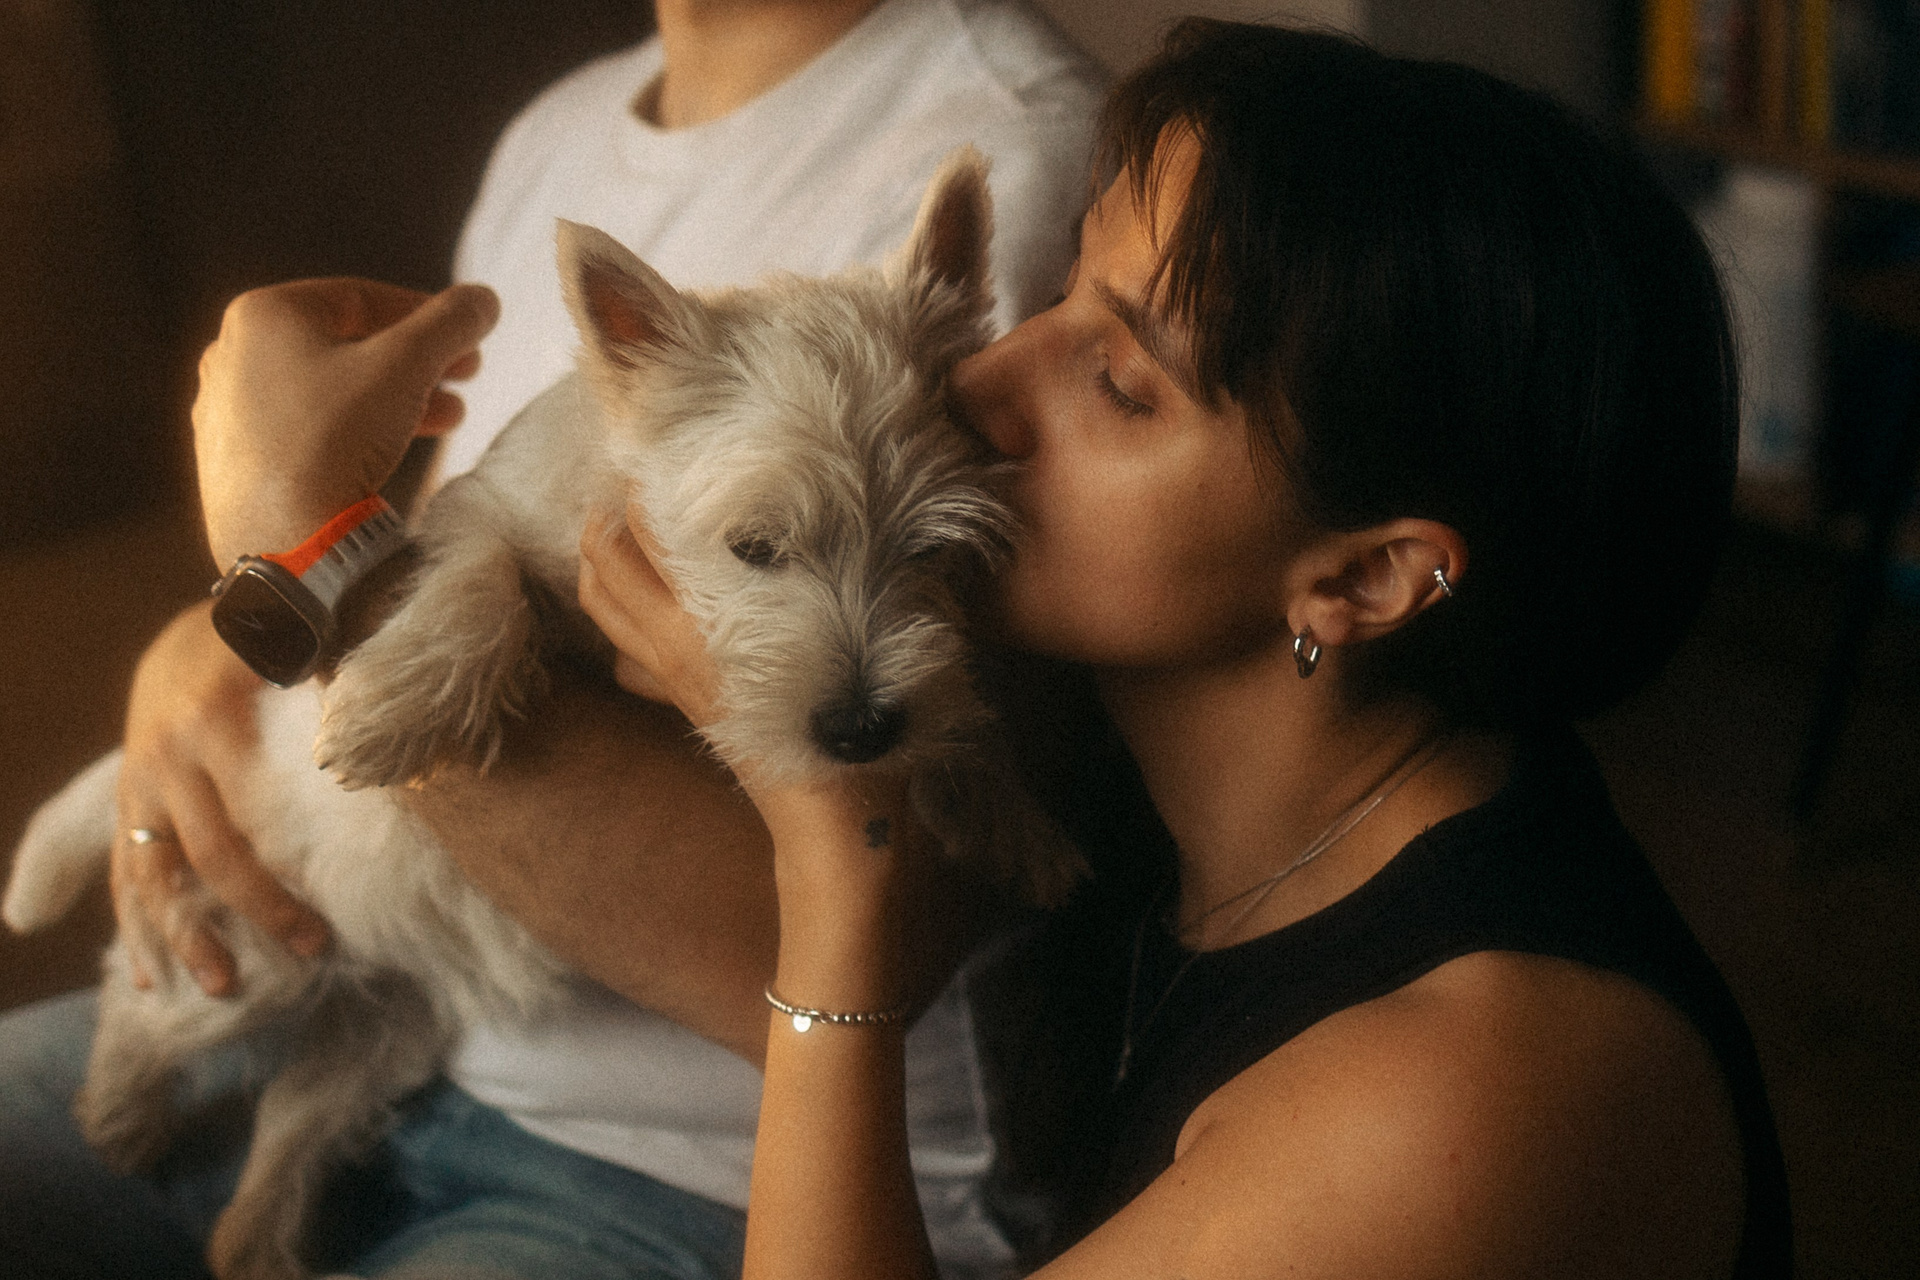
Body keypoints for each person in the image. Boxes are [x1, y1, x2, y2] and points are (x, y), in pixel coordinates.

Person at [567, 21, 1794, 1280]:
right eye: (1060, 291)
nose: (979, 380)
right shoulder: (1165, 805)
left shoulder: (1455, 1102)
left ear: (1362, 577)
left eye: (1118, 379)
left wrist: (832, 850)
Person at [0, 1, 1102, 1277]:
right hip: (413, 1017)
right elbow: (430, 550)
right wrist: (224, 629)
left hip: (708, 1178)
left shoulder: (1004, 148)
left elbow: (836, 929)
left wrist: (299, 556)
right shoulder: (557, 135)